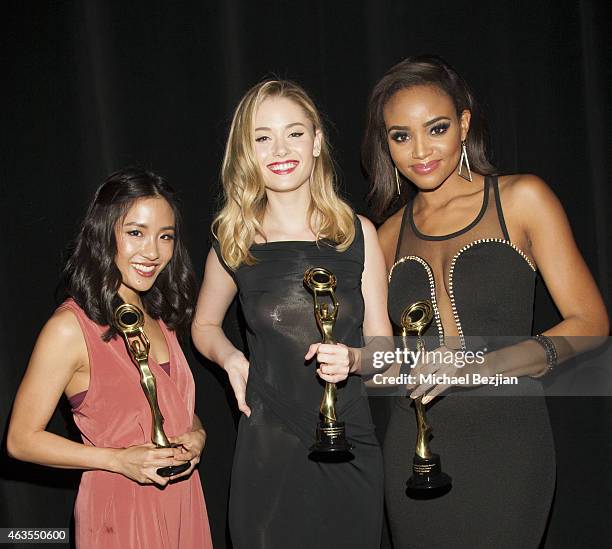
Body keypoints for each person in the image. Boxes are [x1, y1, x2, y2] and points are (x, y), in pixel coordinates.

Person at [362, 55, 609, 548]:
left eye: (436, 128)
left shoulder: (522, 199)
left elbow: (591, 322)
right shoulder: (385, 235)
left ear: (464, 124)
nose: (420, 150)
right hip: (413, 451)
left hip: (508, 442)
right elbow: (381, 361)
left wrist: (482, 365)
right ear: (385, 144)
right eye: (400, 135)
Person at [192, 79, 390, 549]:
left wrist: (357, 360)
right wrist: (229, 358)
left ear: (317, 141)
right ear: (247, 152)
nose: (280, 149)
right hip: (269, 446)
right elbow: (203, 325)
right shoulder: (233, 241)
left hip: (349, 445)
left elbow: (388, 350)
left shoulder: (358, 234)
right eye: (263, 137)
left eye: (294, 133)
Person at [7, 168, 213, 549]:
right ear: (105, 234)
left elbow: (171, 407)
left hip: (183, 501)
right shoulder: (70, 328)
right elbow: (21, 440)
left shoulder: (157, 317)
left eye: (165, 236)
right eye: (136, 232)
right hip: (120, 510)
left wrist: (196, 434)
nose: (152, 251)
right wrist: (118, 460)